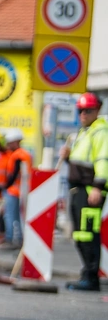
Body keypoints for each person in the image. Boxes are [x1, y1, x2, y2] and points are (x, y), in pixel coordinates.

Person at [60, 92, 108, 292]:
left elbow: (103, 161)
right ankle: (86, 273)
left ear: (97, 110)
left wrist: (98, 187)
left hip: (90, 190)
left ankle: (91, 277)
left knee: (88, 234)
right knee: (80, 234)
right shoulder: (84, 132)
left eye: (87, 110)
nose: (83, 114)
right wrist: (67, 158)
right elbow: (81, 162)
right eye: (80, 110)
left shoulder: (100, 132)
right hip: (78, 189)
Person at [1, 128, 32, 250]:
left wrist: (6, 186)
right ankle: (18, 239)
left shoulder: (19, 155)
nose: (8, 145)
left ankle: (12, 239)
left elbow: (14, 174)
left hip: (15, 191)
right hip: (21, 190)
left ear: (15, 142)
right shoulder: (24, 154)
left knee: (11, 216)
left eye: (9, 142)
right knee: (17, 216)